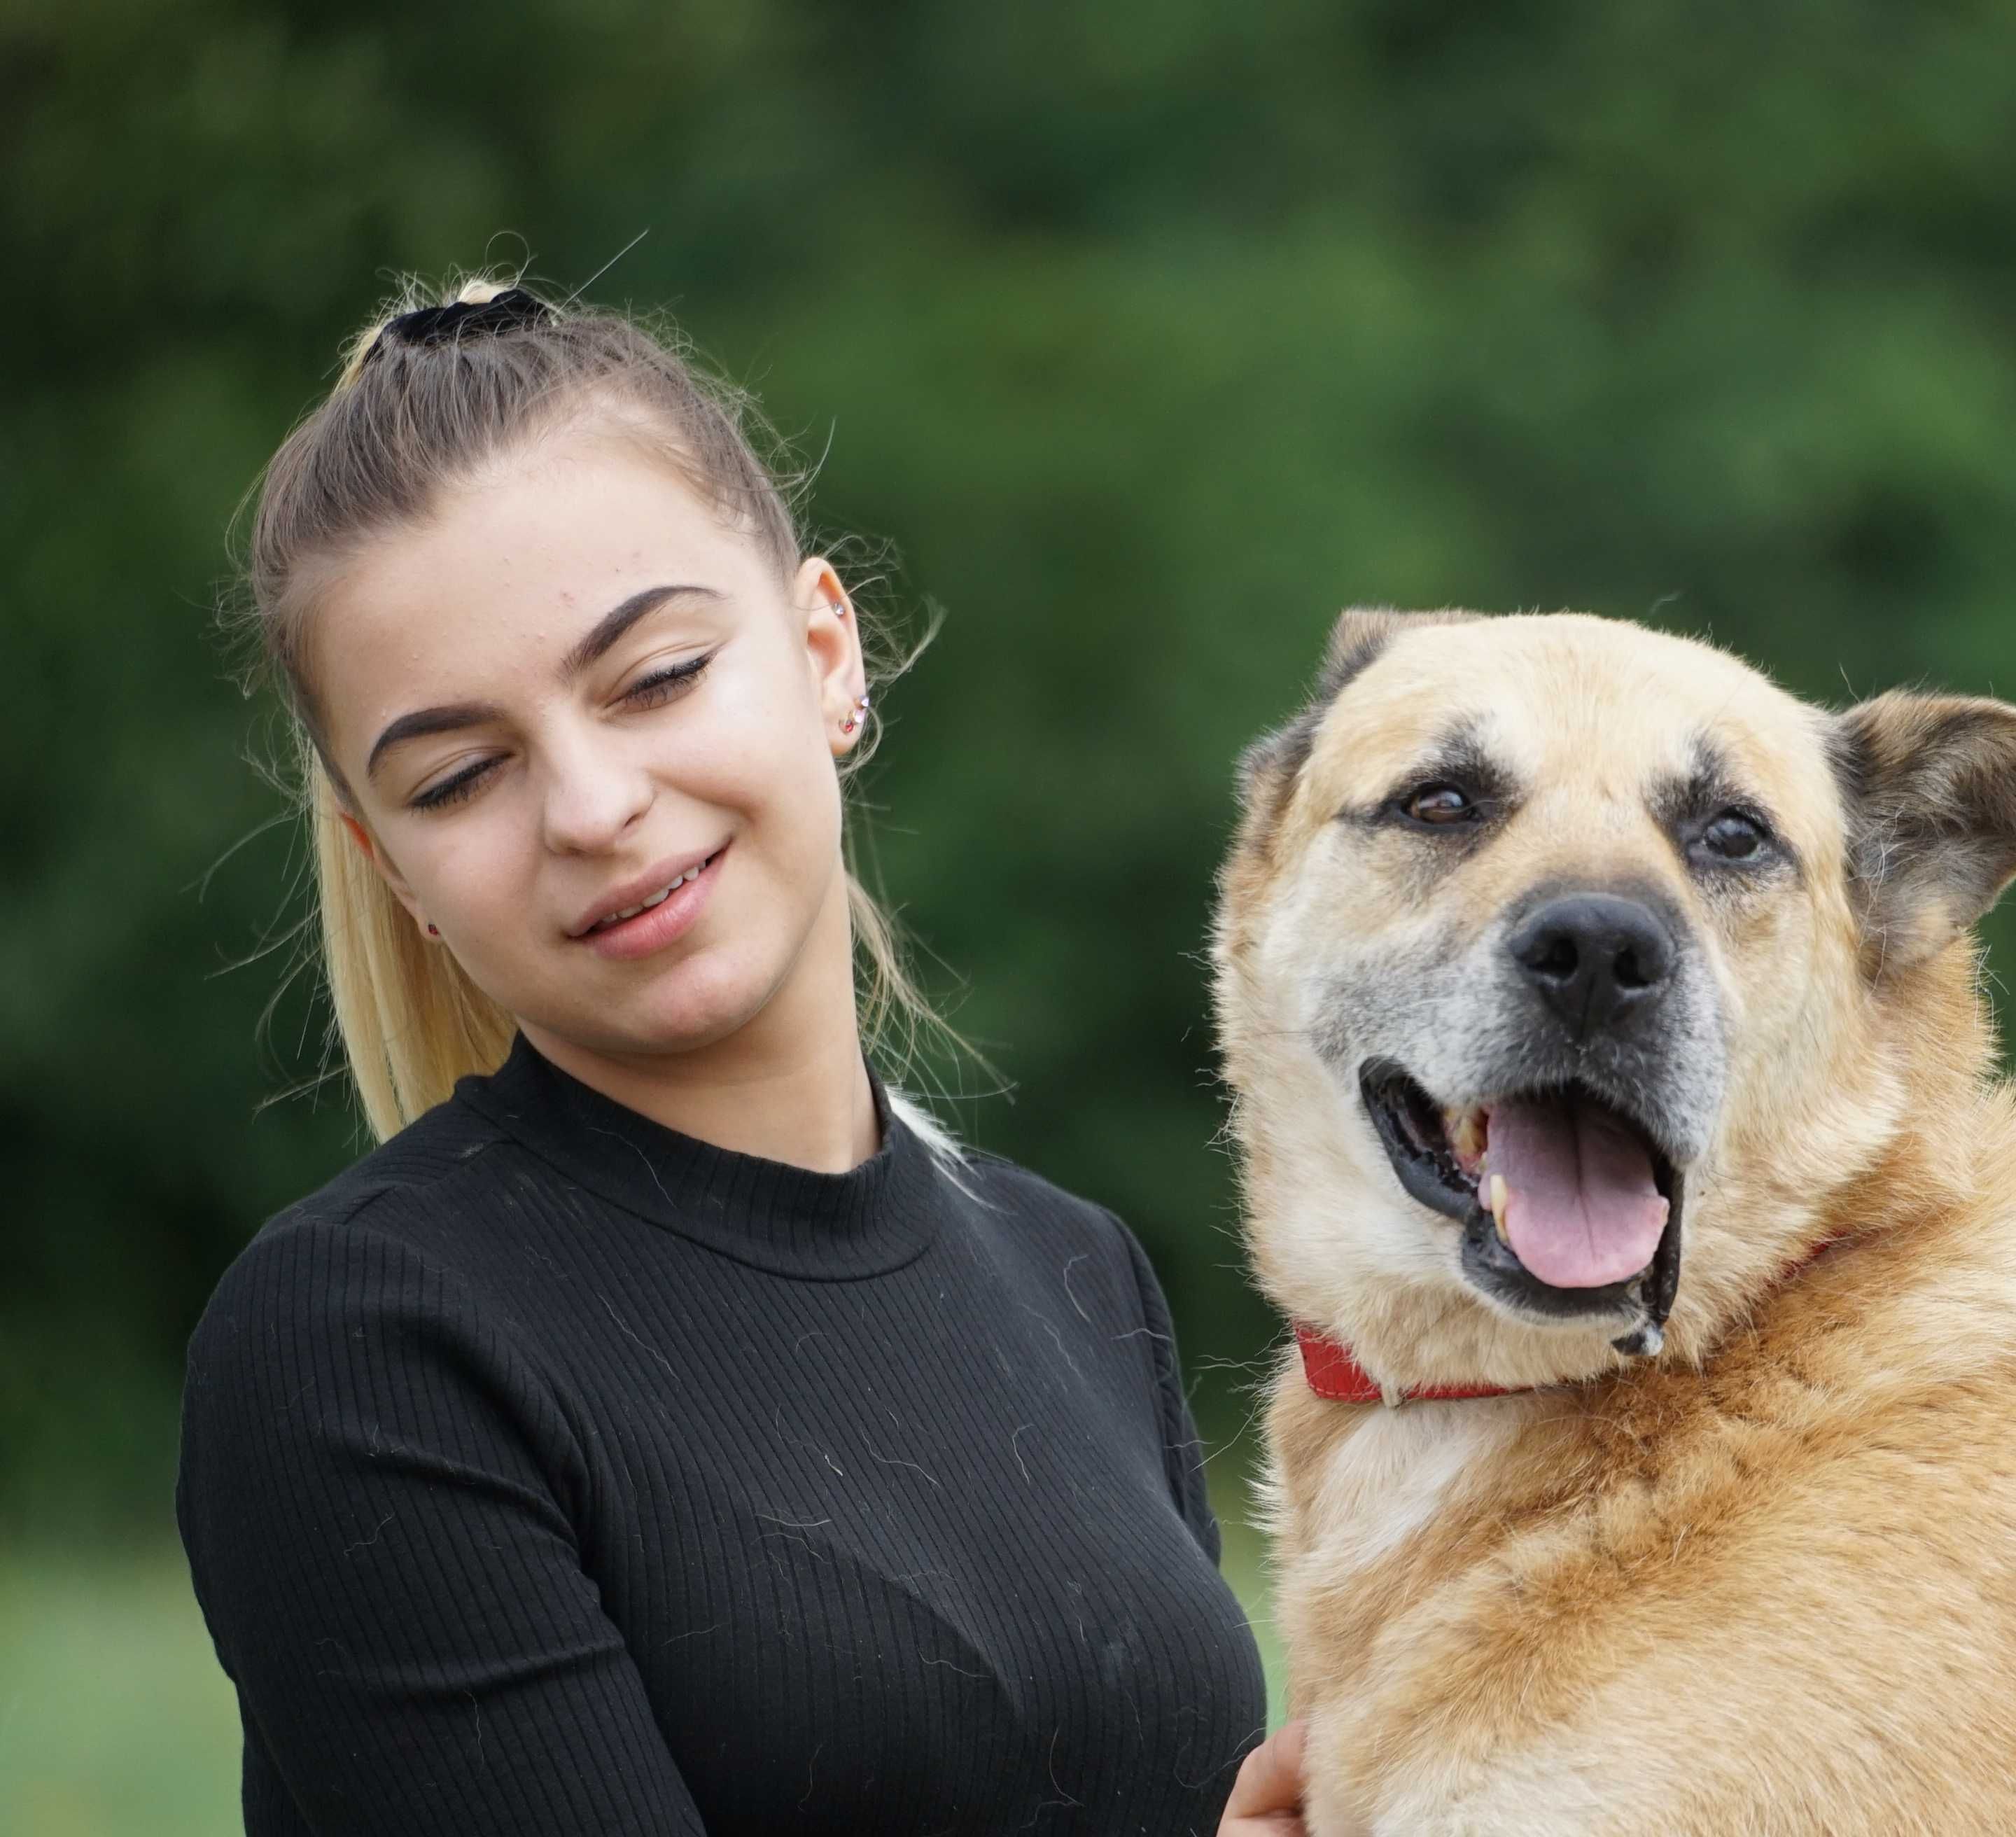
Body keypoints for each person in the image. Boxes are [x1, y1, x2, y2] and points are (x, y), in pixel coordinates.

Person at [177, 274, 1308, 1834]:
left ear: (826, 652)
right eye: (459, 776)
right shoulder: (364, 1347)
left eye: (653, 679)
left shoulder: (1078, 1272)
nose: (589, 806)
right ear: (395, 875)